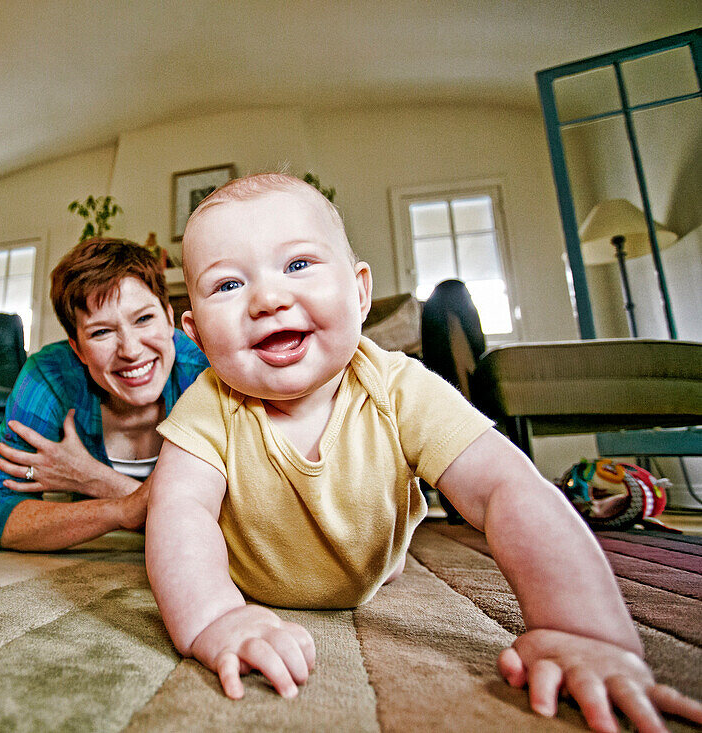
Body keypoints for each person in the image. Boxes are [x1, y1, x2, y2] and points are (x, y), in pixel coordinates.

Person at [145, 173, 702, 732]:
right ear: (193, 333)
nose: (268, 299)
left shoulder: (400, 388)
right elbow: (180, 513)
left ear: (360, 292)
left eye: (297, 265)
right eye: (227, 286)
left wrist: (582, 631)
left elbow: (506, 488)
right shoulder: (208, 405)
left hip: (371, 562)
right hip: (250, 577)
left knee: (420, 529)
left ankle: (378, 560)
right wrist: (215, 616)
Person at [0, 237, 208, 551]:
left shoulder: (202, 368)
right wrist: (120, 510)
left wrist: (92, 478)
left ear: (169, 319)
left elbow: (240, 521)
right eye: (101, 332)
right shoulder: (50, 374)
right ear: (78, 348)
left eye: (144, 319)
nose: (131, 350)